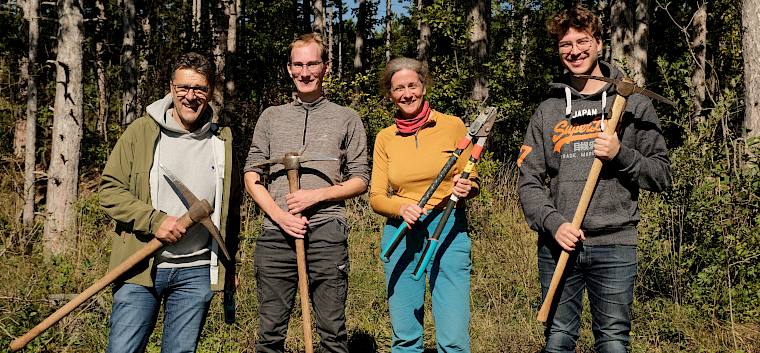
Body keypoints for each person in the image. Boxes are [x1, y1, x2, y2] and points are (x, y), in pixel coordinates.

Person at [517, 5, 671, 353]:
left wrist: (621, 154)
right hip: (558, 244)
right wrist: (553, 223)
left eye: (582, 41)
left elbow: (661, 174)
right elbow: (528, 180)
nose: (574, 51)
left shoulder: (631, 103)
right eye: (565, 44)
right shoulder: (548, 110)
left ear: (599, 42)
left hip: (616, 243)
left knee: (614, 341)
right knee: (557, 340)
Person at [99, 52, 241, 353]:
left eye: (200, 89)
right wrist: (155, 221)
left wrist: (230, 266)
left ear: (211, 91)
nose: (191, 96)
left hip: (197, 271)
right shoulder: (142, 131)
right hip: (140, 267)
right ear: (171, 87)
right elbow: (109, 190)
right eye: (183, 88)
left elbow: (231, 210)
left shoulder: (223, 141)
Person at [243, 33, 369, 353]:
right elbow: (252, 174)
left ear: (325, 67)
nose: (305, 71)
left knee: (332, 330)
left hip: (327, 228)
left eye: (312, 63)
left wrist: (317, 196)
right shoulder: (271, 117)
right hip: (276, 232)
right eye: (298, 64)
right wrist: (280, 215)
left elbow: (360, 180)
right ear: (289, 69)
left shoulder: (346, 118)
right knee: (270, 331)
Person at [369, 57, 478, 353]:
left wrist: (468, 186)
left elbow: (471, 176)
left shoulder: (452, 126)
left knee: (454, 339)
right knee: (405, 337)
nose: (407, 94)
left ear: (424, 86)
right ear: (390, 94)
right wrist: (400, 208)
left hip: (448, 230)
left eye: (412, 85)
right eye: (398, 88)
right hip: (401, 232)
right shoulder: (385, 138)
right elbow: (376, 196)